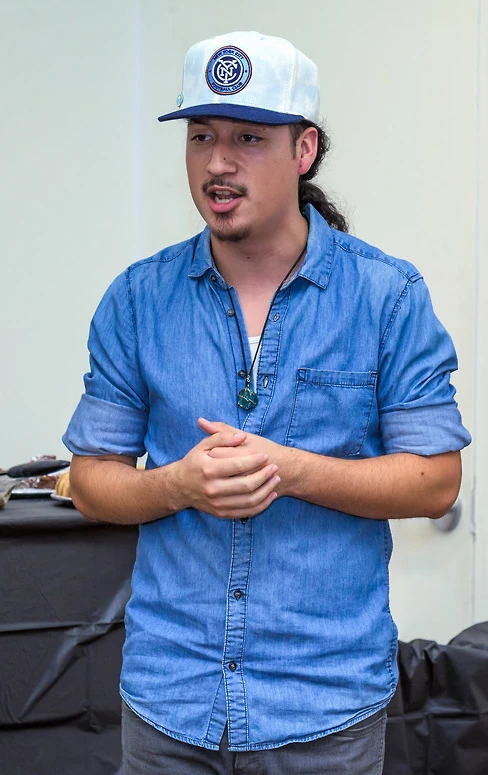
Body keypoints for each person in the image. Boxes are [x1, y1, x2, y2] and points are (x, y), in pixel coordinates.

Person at [63, 30, 471, 775]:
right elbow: (91, 481)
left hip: (325, 707)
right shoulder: (137, 300)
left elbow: (436, 479)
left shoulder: (386, 297)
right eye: (201, 136)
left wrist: (290, 469)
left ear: (303, 149)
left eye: (248, 138)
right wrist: (177, 485)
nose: (218, 163)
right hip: (169, 703)